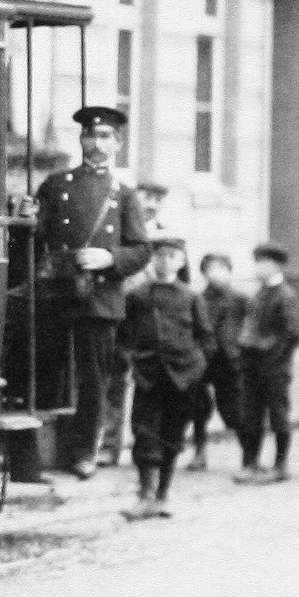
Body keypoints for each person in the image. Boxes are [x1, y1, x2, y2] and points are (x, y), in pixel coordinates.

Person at [32, 105, 151, 479]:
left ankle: (84, 451)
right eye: (89, 136)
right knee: (49, 370)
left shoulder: (125, 195)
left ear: (117, 144)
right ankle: (43, 452)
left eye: (104, 137)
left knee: (92, 377)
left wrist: (109, 257)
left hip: (99, 299)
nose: (95, 143)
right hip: (57, 292)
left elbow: (142, 249)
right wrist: (27, 218)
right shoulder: (56, 185)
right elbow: (38, 236)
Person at [119, 235, 212, 518]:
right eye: (160, 255)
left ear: (182, 262)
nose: (165, 261)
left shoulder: (191, 297)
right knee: (144, 432)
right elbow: (124, 335)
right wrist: (131, 361)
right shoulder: (138, 295)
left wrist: (195, 369)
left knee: (173, 435)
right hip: (148, 375)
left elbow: (206, 338)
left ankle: (162, 495)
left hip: (182, 378)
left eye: (172, 256)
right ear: (152, 259)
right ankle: (145, 494)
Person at [96, 179, 172, 466]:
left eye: (157, 199)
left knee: (149, 383)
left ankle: (150, 445)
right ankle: (109, 445)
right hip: (117, 313)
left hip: (148, 321)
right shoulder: (118, 232)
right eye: (145, 198)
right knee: (113, 378)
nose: (150, 205)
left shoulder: (168, 236)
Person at [233, 242, 299, 484]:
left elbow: (296, 331)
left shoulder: (286, 295)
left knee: (278, 415)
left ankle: (280, 465)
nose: (258, 268)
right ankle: (251, 463)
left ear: (277, 266)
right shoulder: (259, 294)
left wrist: (274, 355)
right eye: (257, 262)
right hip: (252, 366)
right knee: (251, 416)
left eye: (264, 263)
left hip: (274, 368)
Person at [187, 252, 251, 471]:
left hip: (231, 362)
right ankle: (199, 452)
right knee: (198, 409)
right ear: (204, 273)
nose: (217, 274)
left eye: (222, 268)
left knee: (235, 409)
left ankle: (248, 455)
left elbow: (250, 326)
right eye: (211, 269)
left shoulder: (241, 299)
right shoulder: (197, 299)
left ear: (230, 271)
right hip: (203, 361)